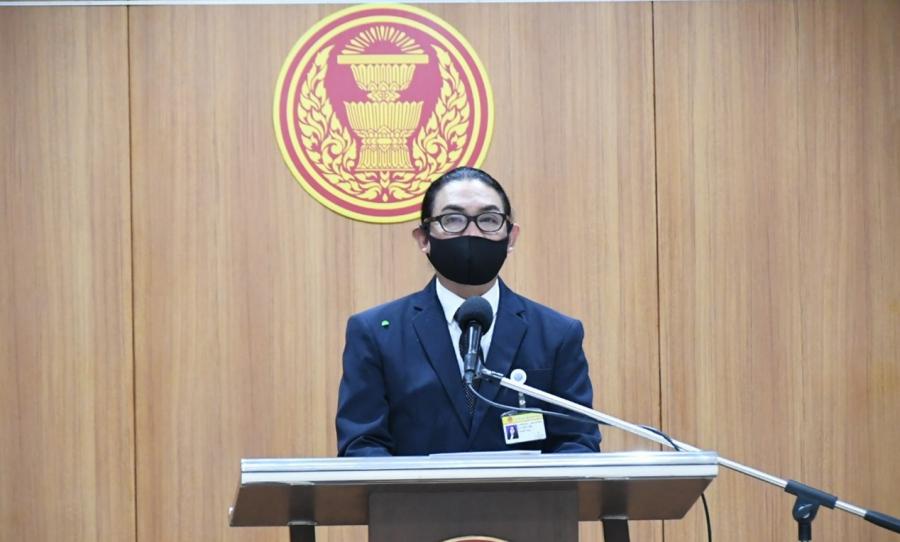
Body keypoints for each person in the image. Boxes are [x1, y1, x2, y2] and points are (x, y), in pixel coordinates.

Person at [336, 167, 601, 456]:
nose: (472, 233)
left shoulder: (557, 334)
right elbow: (362, 445)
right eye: (453, 219)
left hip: (525, 488)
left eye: (488, 220)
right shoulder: (375, 333)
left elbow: (577, 442)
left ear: (511, 237)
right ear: (423, 239)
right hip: (414, 488)